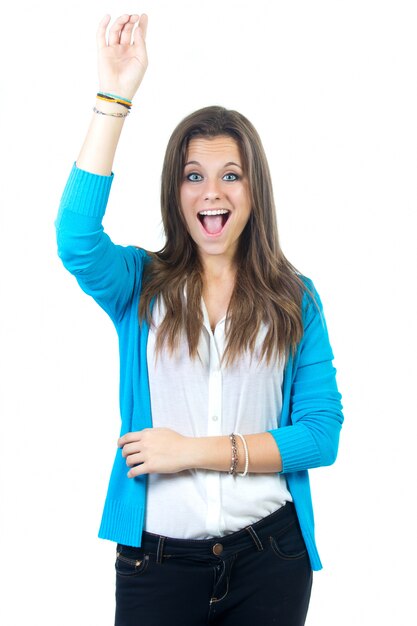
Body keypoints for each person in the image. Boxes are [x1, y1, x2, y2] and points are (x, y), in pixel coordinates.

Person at [55, 13, 343, 626]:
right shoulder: (139, 287)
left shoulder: (296, 299)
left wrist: (190, 451)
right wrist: (115, 95)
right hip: (155, 564)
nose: (212, 192)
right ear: (175, 191)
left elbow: (320, 436)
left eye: (230, 175)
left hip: (271, 555)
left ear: (252, 191)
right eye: (194, 176)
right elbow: (76, 238)